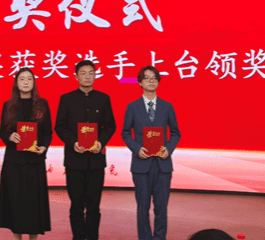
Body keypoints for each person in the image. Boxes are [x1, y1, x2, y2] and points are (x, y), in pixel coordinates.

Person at [54, 60, 116, 240]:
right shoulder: (66, 99)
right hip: (74, 160)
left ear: (95, 76)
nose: (87, 76)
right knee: (76, 205)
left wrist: (101, 142)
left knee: (94, 206)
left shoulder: (103, 98)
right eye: (83, 73)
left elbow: (110, 126)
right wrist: (73, 142)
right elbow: (60, 126)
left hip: (96, 161)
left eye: (91, 73)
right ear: (76, 77)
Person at [121, 65, 181, 240]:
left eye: (154, 78)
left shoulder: (167, 106)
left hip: (163, 165)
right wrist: (136, 149)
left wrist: (168, 149)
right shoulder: (132, 107)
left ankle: (160, 237)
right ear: (140, 82)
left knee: (161, 207)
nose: (151, 81)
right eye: (147, 78)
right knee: (142, 208)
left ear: (158, 82)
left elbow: (175, 133)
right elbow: (126, 133)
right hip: (141, 165)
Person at [0, 67, 52, 240]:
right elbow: (2, 132)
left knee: (34, 204)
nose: (26, 82)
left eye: (29, 79)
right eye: (22, 79)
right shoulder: (8, 105)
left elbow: (48, 132)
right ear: (16, 83)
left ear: (34, 83)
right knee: (16, 203)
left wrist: (44, 147)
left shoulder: (42, 104)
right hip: (14, 162)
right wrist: (10, 136)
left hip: (35, 162)